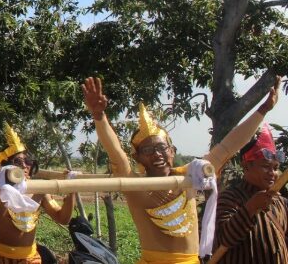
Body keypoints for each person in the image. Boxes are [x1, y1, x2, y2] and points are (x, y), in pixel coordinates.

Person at [82, 76, 281, 264]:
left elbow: (229, 145)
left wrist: (262, 110)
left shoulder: (191, 175)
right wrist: (99, 116)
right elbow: (116, 153)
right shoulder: (135, 186)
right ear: (137, 157)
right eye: (148, 150)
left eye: (162, 148)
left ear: (172, 151)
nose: (157, 154)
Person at [0, 124, 75, 263]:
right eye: (17, 162)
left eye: (27, 161)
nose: (24, 166)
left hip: (30, 259)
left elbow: (62, 218)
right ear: (7, 165)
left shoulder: (39, 190)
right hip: (1, 258)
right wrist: (8, 192)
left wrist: (72, 192)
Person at [213, 123, 288, 262]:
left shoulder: (281, 202)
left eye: (275, 167)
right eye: (266, 166)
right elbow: (224, 238)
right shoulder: (229, 198)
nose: (272, 173)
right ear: (246, 166)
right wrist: (250, 208)